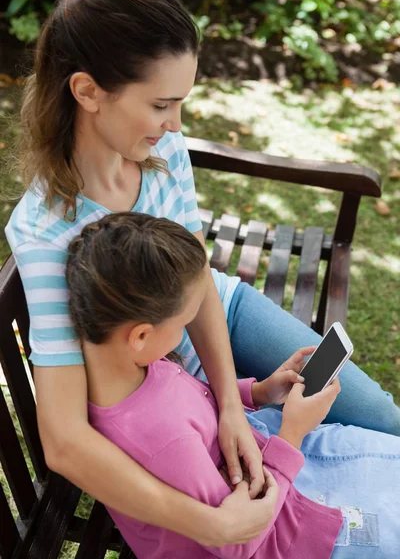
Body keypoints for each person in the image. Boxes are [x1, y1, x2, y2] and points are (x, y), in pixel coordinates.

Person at [5, 0, 400, 547]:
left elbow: (200, 283)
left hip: (209, 311)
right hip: (155, 372)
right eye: (163, 103)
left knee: (382, 418)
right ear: (87, 91)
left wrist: (233, 406)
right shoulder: (45, 236)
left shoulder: (163, 153)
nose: (176, 125)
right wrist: (215, 523)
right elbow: (64, 441)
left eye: (182, 102)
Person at [66, 211, 400, 559]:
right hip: (288, 532)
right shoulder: (163, 438)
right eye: (184, 322)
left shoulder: (128, 369)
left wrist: (259, 393)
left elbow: (194, 407)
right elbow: (240, 540)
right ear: (140, 335)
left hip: (271, 455)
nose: (187, 333)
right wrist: (293, 434)